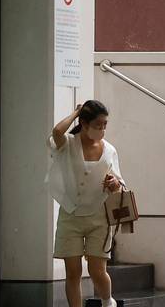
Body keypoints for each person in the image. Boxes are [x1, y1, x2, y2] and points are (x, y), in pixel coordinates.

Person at [45, 100, 125, 307]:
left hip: (99, 216)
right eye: (98, 125)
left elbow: (120, 183)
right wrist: (76, 112)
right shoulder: (69, 144)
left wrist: (115, 183)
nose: (102, 129)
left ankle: (108, 301)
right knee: (73, 272)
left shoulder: (109, 150)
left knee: (97, 270)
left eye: (105, 125)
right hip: (70, 214)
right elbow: (56, 132)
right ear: (85, 123)